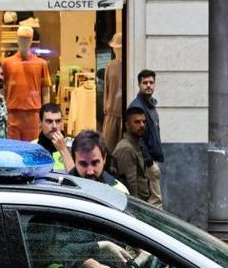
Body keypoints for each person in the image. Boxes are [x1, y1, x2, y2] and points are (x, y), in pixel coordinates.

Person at [2, 25, 51, 141]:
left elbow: (45, 90)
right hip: (13, 112)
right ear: (17, 40)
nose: (24, 41)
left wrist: (45, 113)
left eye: (27, 38)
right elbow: (3, 87)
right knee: (14, 148)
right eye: (22, 38)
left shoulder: (41, 63)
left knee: (32, 146)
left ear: (31, 40)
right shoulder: (7, 63)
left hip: (33, 113)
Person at [127, 69, 164, 206]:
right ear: (139, 85)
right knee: (155, 201)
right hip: (146, 161)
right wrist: (149, 163)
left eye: (151, 82)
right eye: (145, 83)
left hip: (151, 158)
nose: (148, 85)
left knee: (153, 198)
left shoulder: (151, 105)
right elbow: (139, 137)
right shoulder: (138, 107)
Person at [69, 129, 128, 193]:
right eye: (83, 164)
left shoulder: (119, 191)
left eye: (95, 163)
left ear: (104, 159)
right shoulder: (62, 189)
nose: (90, 171)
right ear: (74, 161)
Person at [114, 106, 152, 202]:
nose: (142, 125)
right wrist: (136, 207)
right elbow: (130, 183)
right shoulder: (126, 148)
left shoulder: (136, 144)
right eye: (137, 122)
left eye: (144, 121)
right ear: (127, 125)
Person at [34, 103, 74, 172]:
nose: (54, 126)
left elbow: (79, 178)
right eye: (49, 121)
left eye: (58, 121)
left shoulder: (75, 146)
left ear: (62, 123)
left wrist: (64, 150)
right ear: (40, 123)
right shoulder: (32, 147)